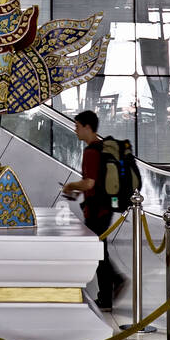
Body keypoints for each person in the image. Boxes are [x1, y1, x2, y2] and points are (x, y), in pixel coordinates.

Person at [62, 110, 127, 310]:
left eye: (77, 126)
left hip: (97, 210)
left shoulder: (91, 151)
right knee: (100, 251)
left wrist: (70, 186)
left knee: (99, 253)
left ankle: (108, 295)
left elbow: (89, 183)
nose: (75, 131)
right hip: (104, 207)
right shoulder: (101, 148)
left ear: (87, 127)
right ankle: (113, 285)